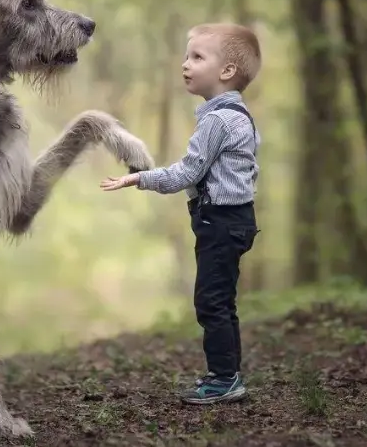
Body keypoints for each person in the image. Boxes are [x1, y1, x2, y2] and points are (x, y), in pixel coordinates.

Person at [100, 22, 262, 405]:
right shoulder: (237, 116)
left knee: (211, 302)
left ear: (226, 72)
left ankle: (224, 379)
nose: (185, 64)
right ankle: (227, 374)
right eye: (187, 56)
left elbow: (186, 173)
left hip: (222, 222)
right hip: (233, 219)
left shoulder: (218, 120)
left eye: (197, 57)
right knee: (221, 301)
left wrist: (139, 178)